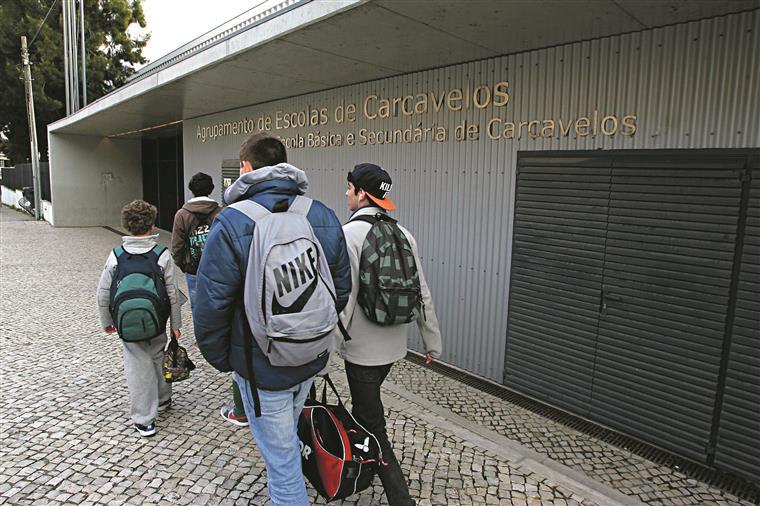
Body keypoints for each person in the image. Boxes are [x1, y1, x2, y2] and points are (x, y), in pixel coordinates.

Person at [192, 134, 351, 505]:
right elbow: (339, 287)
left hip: (259, 363)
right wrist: (312, 330)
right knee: (286, 443)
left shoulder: (232, 221)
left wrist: (222, 357)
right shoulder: (321, 214)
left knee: (281, 464)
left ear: (246, 168)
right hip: (310, 356)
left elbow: (211, 301)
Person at [337, 163, 442, 506]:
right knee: (363, 412)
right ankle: (359, 468)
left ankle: (401, 499)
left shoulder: (348, 235)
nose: (346, 193)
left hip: (362, 352)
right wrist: (431, 341)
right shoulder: (405, 234)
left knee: (373, 423)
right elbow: (421, 291)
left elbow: (346, 300)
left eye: (350, 188)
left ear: (361, 193)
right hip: (394, 347)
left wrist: (325, 353)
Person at [96, 200, 182, 437]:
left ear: (126, 226)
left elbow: (103, 293)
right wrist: (176, 325)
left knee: (137, 366)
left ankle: (144, 419)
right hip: (157, 321)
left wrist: (106, 321)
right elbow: (173, 294)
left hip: (127, 323)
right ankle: (163, 399)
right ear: (152, 225)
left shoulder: (116, 255)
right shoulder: (161, 255)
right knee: (158, 355)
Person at [171, 172, 222, 303]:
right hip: (217, 267)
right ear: (211, 189)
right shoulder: (221, 212)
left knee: (196, 304)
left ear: (191, 189)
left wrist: (183, 265)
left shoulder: (182, 215)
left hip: (193, 268)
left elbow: (177, 246)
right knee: (219, 303)